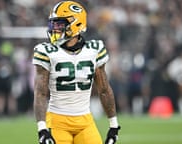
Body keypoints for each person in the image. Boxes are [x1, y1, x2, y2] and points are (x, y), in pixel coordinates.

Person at [33, 1, 121, 144]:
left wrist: (113, 124)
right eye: (53, 24)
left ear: (76, 24)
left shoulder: (94, 49)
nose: (54, 28)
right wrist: (42, 128)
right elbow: (40, 92)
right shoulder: (46, 51)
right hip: (57, 122)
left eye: (59, 24)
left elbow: (104, 89)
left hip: (85, 122)